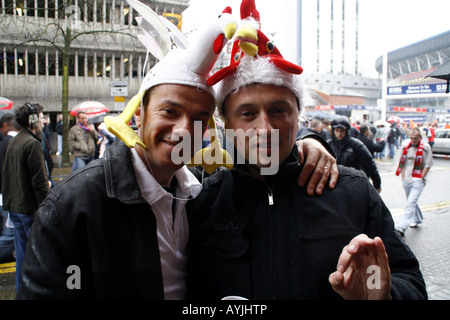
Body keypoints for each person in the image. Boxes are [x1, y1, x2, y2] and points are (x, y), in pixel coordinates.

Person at [17, 5, 337, 300]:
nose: (184, 130)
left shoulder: (200, 195)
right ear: (138, 114)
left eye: (199, 118)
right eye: (170, 111)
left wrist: (306, 143)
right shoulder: (75, 205)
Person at [186, 3, 426, 300]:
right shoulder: (204, 201)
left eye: (278, 110)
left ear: (298, 117)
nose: (265, 128)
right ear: (227, 123)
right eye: (247, 114)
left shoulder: (354, 193)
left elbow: (410, 280)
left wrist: (385, 295)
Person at [1, 103, 50, 289]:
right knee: (38, 254)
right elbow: (39, 182)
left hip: (14, 206)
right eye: (42, 118)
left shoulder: (13, 142)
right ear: (33, 121)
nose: (44, 122)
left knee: (21, 253)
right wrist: (45, 208)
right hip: (29, 208)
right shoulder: (32, 144)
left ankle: (22, 289)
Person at [328, 115, 382, 192]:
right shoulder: (328, 145)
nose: (339, 134)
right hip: (334, 185)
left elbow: (370, 164)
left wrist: (377, 184)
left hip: (353, 184)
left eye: (342, 131)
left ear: (346, 131)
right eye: (337, 130)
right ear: (333, 130)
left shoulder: (356, 145)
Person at [395, 127, 433, 237]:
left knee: (410, 203)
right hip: (406, 178)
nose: (413, 141)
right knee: (412, 201)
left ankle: (402, 227)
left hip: (418, 179)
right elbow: (401, 162)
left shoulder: (426, 147)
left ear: (420, 138)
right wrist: (402, 176)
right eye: (411, 138)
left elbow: (428, 164)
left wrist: (421, 177)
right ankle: (418, 219)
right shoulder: (405, 146)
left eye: (415, 139)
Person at [0, 113, 18, 263]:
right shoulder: (7, 142)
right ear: (4, 125)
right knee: (9, 233)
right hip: (4, 194)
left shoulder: (6, 141)